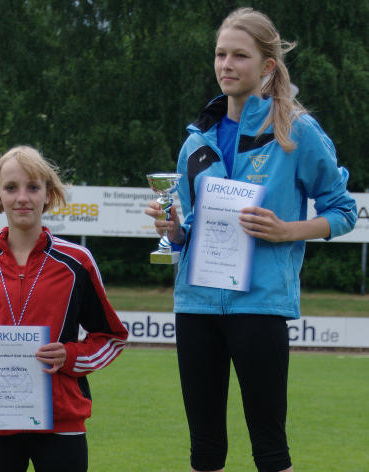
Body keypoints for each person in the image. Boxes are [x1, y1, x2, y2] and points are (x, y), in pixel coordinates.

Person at [145, 7, 357, 472]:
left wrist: (288, 231)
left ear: (266, 66)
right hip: (197, 305)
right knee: (204, 449)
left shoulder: (295, 132)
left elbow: (344, 212)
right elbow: (188, 234)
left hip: (260, 305)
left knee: (269, 446)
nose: (226, 64)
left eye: (239, 55)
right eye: (220, 54)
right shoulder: (195, 143)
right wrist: (173, 231)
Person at [0, 145, 128, 472]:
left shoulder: (76, 262)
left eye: (33, 187)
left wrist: (70, 356)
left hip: (62, 419)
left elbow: (112, 337)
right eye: (11, 188)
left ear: (48, 195)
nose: (22, 197)